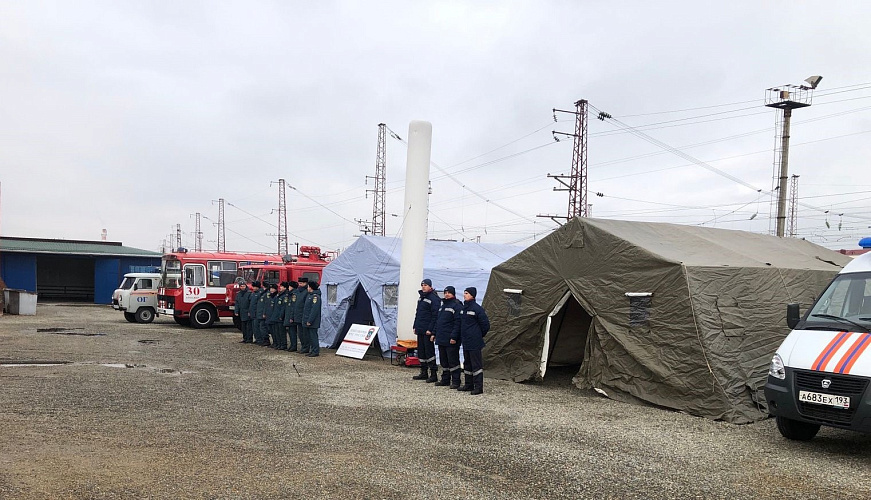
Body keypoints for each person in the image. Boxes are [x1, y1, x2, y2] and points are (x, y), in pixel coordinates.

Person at [458, 286, 490, 395]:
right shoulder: (463, 309)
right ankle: (468, 384)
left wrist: (478, 335)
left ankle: (478, 387)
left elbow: (485, 325)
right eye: (464, 293)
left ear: (472, 295)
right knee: (467, 364)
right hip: (466, 341)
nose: (464, 295)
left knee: (476, 365)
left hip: (474, 341)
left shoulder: (477, 309)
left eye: (466, 293)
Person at [432, 285, 462, 388]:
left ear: (453, 294)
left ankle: (456, 381)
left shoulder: (457, 306)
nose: (446, 294)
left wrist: (454, 337)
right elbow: (438, 321)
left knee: (453, 361)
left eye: (449, 292)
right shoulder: (442, 306)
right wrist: (434, 333)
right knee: (443, 361)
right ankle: (445, 379)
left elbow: (458, 323)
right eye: (445, 292)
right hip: (441, 337)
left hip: (451, 339)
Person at [412, 278, 440, 382]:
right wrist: (415, 326)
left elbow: (435, 316)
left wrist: (431, 330)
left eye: (425, 285)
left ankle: (433, 373)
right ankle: (423, 372)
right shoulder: (421, 298)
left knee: (429, 352)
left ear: (430, 287)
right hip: (420, 329)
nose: (423, 287)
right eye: (422, 285)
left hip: (427, 330)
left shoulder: (434, 299)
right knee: (421, 352)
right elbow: (418, 313)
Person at [302, 280, 322, 357]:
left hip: (313, 321)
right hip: (307, 319)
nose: (307, 288)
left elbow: (314, 310)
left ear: (311, 287)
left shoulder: (315, 297)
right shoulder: (309, 295)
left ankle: (315, 351)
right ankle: (312, 350)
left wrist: (310, 320)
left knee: (313, 336)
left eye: (308, 286)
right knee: (310, 336)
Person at [269, 282, 289, 350]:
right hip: (275, 316)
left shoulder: (285, 296)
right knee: (277, 332)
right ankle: (278, 343)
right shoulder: (278, 295)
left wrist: (281, 316)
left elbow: (283, 307)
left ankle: (283, 344)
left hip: (280, 317)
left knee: (281, 332)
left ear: (285, 288)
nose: (280, 288)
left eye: (282, 286)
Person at [292, 278, 310, 353]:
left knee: (305, 333)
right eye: (299, 283)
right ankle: (303, 346)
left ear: (306, 283)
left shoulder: (306, 292)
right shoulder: (297, 292)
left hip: (303, 315)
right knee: (300, 333)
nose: (300, 285)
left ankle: (306, 347)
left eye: (302, 283)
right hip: (298, 315)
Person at [283, 281, 299, 351]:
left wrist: (292, 317)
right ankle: (292, 345)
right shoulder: (289, 294)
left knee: (292, 332)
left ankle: (294, 346)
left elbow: (293, 306)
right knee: (290, 332)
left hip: (291, 316)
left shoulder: (294, 294)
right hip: (288, 314)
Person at [254, 282, 271, 346]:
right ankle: (262, 340)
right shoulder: (261, 294)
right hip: (259, 313)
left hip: (263, 314)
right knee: (260, 328)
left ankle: (266, 340)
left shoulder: (266, 294)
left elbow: (266, 305)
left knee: (263, 328)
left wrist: (264, 313)